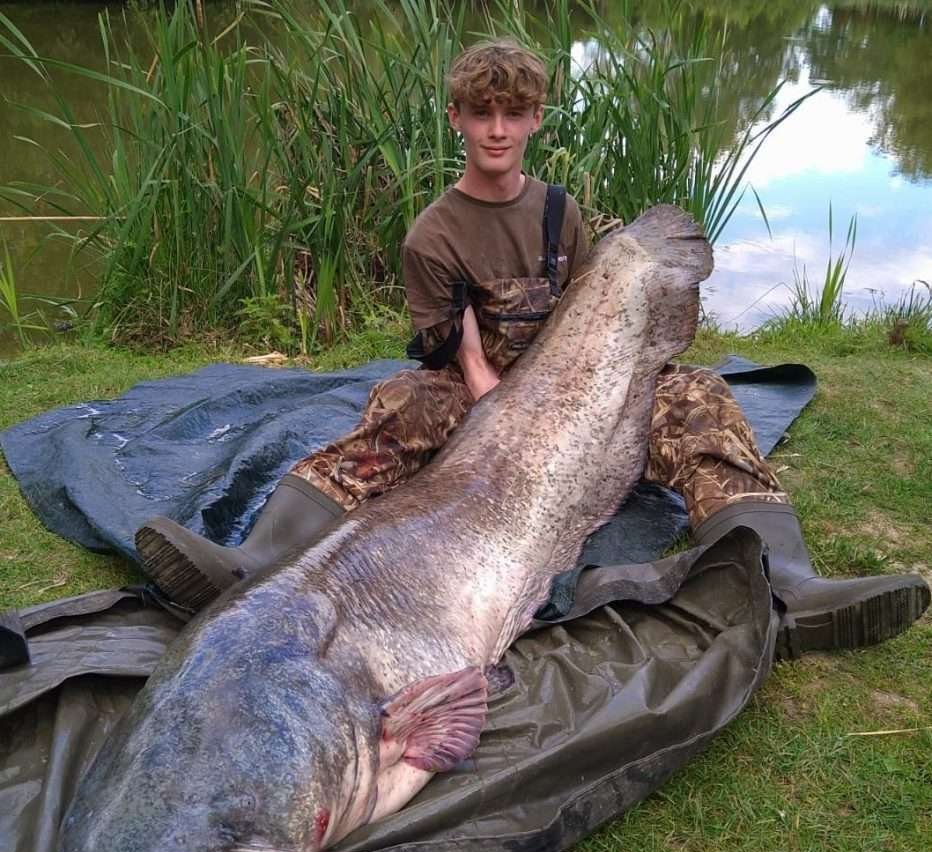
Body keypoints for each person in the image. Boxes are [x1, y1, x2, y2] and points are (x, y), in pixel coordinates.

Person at [135, 39, 928, 658]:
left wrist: (611, 378)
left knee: (701, 399)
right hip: (480, 389)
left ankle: (785, 580)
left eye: (513, 114)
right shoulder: (433, 234)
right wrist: (502, 409)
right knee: (399, 406)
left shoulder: (560, 211)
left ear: (536, 120)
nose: (497, 130)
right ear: (457, 119)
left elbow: (591, 313)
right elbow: (456, 345)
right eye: (482, 114)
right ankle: (253, 563)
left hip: (574, 377)